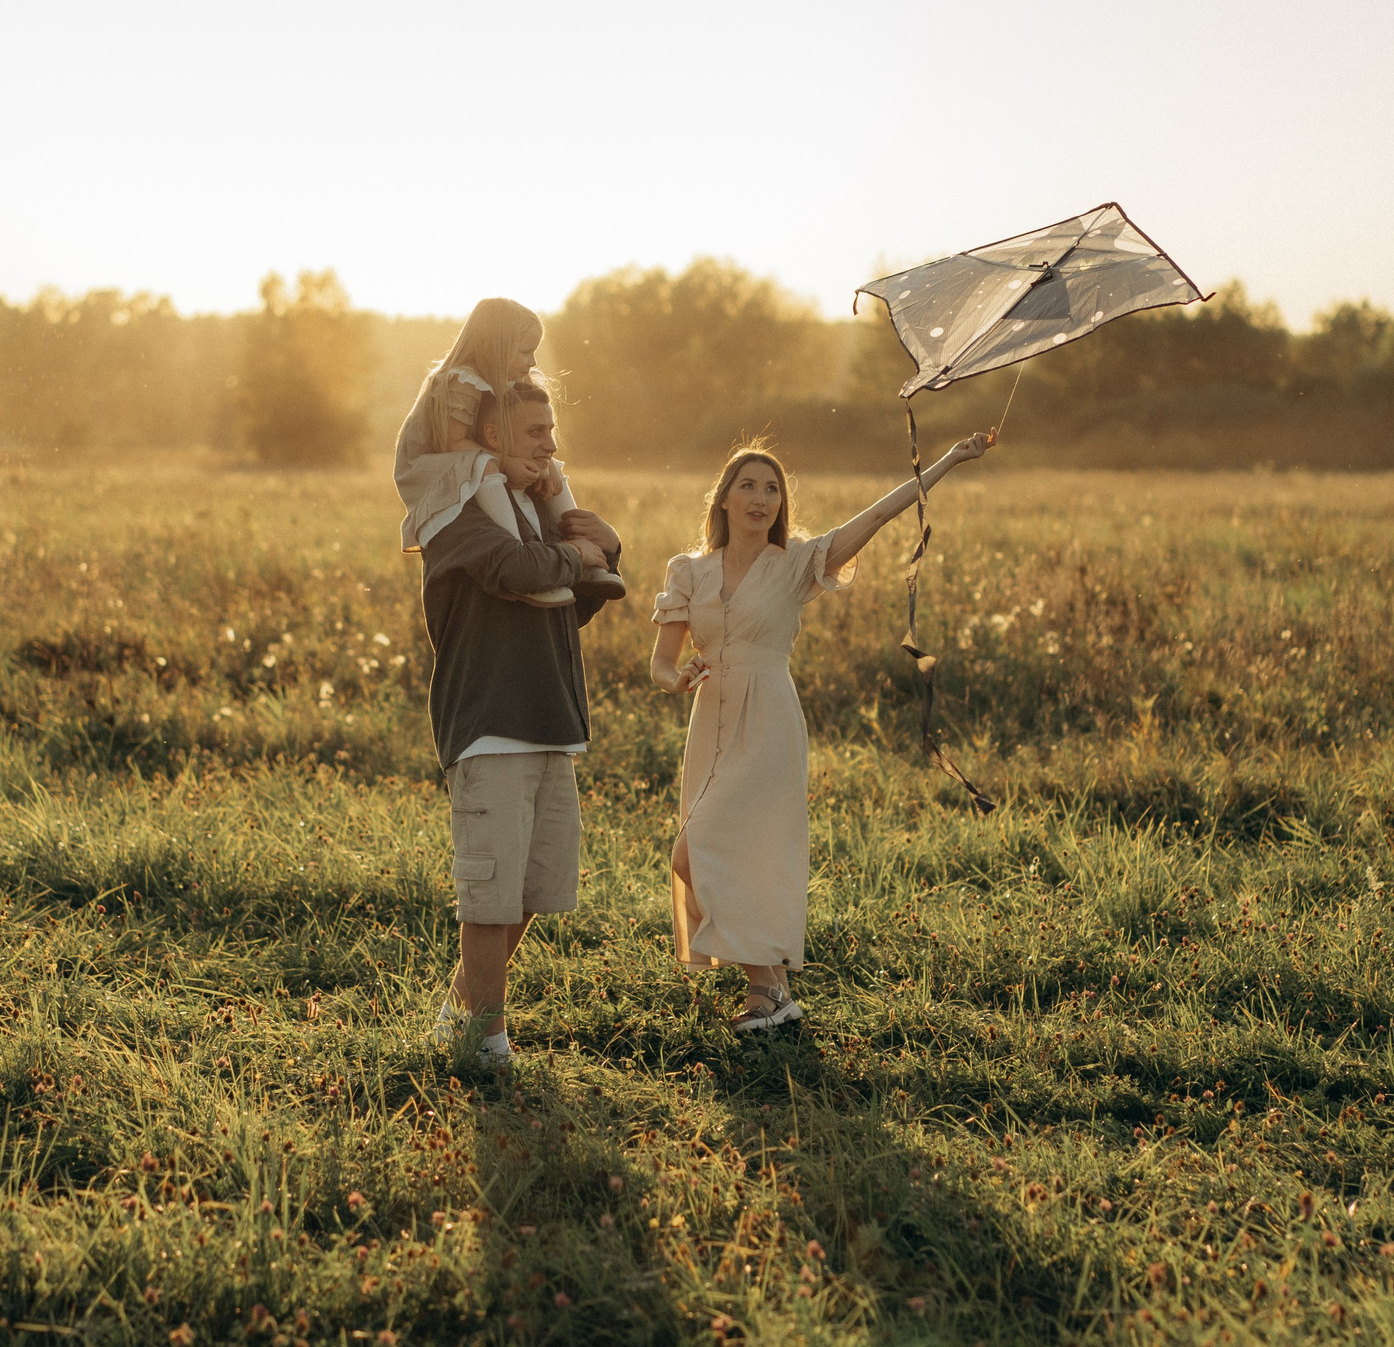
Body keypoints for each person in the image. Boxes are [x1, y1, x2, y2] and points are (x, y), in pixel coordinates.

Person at [650, 431, 995, 1032]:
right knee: (699, 855)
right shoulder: (689, 571)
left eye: (773, 489)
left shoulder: (797, 564)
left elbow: (882, 514)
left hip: (770, 722)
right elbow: (660, 661)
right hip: (710, 723)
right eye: (748, 486)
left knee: (706, 848)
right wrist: (675, 678)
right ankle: (775, 991)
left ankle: (766, 990)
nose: (762, 498)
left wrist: (948, 460)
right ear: (724, 498)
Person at [418, 378, 626, 1065]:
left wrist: (608, 550)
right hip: (490, 722)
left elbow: (570, 601)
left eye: (552, 429)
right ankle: (487, 1039)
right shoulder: (455, 509)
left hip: (551, 720)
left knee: (532, 889)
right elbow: (514, 570)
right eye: (536, 430)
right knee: (490, 894)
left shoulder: (537, 511)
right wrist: (576, 556)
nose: (551, 444)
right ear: (493, 435)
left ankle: (462, 1012)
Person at [393, 297, 625, 607]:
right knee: (487, 466)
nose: (532, 362)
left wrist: (605, 546)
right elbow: (453, 443)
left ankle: (588, 563)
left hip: (473, 456)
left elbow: (574, 617)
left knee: (551, 466)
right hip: (434, 463)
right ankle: (519, 550)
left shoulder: (504, 381)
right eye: (525, 352)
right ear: (496, 347)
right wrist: (505, 463)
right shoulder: (460, 380)